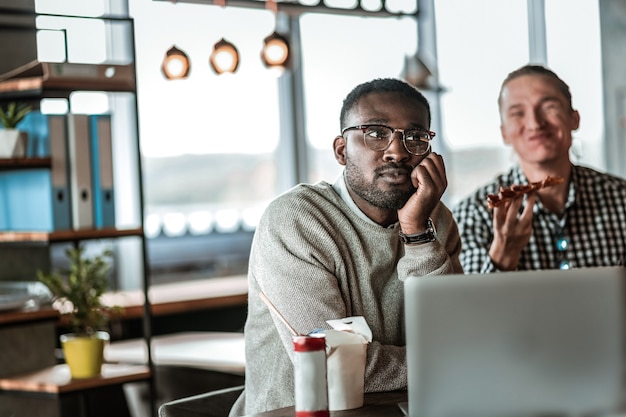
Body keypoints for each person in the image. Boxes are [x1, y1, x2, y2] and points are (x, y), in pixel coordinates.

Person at [229, 78, 463, 416]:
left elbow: (453, 334)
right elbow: (336, 368)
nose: (397, 151)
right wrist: (449, 360)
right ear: (341, 150)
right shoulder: (297, 219)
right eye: (376, 133)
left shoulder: (435, 220)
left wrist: (416, 234)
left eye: (414, 137)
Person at [453, 64, 626, 273]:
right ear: (504, 133)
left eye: (549, 107)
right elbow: (471, 304)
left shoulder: (620, 198)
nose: (535, 123)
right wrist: (503, 258)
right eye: (518, 113)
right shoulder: (473, 214)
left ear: (574, 118)